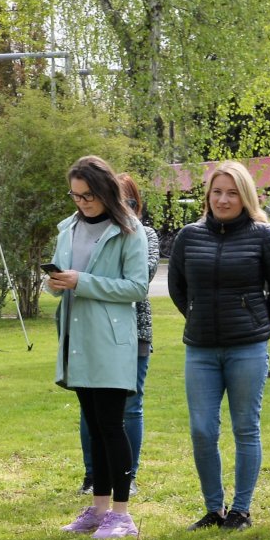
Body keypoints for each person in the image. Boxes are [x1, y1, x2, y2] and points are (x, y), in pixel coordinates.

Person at [167, 162, 270, 531]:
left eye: (232, 193)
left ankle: (240, 510)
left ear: (246, 196)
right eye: (217, 192)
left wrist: (256, 323)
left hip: (247, 349)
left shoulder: (264, 237)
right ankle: (213, 509)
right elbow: (178, 289)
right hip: (201, 350)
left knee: (245, 428)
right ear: (207, 196)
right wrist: (198, 316)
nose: (223, 199)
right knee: (202, 429)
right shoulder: (189, 237)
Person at [49, 156, 151, 539]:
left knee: (111, 425)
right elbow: (63, 274)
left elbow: (137, 288)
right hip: (76, 338)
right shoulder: (67, 228)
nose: (82, 203)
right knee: (93, 426)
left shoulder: (129, 230)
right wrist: (55, 282)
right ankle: (98, 509)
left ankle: (122, 515)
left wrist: (83, 282)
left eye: (88, 195)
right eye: (75, 196)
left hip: (110, 339)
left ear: (106, 190)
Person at [77, 174, 160, 495]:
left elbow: (143, 275)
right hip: (92, 332)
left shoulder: (145, 235)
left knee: (131, 405)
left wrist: (89, 277)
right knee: (92, 411)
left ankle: (129, 475)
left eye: (129, 201)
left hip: (133, 331)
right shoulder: (85, 232)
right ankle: (93, 476)